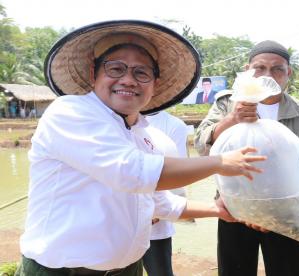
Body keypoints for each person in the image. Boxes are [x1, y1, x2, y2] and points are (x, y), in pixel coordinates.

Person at [16, 20, 266, 276]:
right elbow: (132, 173)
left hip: (126, 269)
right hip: (59, 270)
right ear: (94, 73)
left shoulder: (143, 134)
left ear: (154, 83)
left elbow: (156, 201)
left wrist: (217, 210)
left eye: (141, 73)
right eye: (115, 68)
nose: (128, 79)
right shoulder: (69, 112)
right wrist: (221, 163)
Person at [195, 40, 299, 276]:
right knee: (235, 270)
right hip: (234, 209)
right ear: (247, 70)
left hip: (287, 213)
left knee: (290, 270)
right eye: (260, 68)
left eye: (277, 69)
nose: (268, 75)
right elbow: (202, 145)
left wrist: (267, 211)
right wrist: (232, 120)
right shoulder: (227, 104)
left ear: (288, 73)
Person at [143, 111, 189, 276]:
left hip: (156, 222)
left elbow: (178, 173)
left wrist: (154, 211)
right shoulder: (113, 123)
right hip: (121, 221)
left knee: (160, 272)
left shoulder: (174, 125)